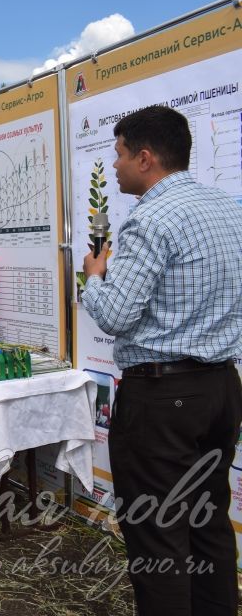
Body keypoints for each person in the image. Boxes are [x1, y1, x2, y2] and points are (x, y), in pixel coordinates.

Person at [81, 105, 242, 616]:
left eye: (120, 154)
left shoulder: (149, 218)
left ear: (146, 158)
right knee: (209, 521)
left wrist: (92, 276)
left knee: (158, 538)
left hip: (163, 400)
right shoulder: (229, 208)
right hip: (220, 390)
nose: (116, 164)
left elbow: (117, 315)